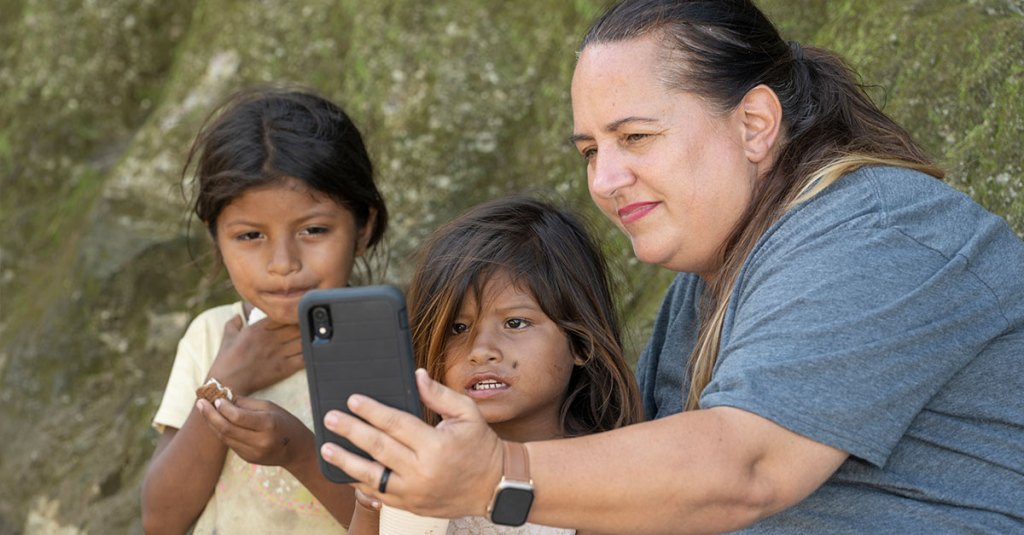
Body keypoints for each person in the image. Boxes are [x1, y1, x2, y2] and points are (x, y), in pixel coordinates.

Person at [317, 0, 1024, 533]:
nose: (605, 179)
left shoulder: (874, 231)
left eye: (635, 137)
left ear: (754, 124)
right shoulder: (706, 276)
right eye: (591, 150)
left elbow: (744, 467)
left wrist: (497, 473)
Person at [141, 87, 388, 534]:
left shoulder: (388, 345)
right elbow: (161, 520)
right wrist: (226, 380)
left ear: (363, 226)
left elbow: (395, 523)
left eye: (313, 229)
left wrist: (297, 451)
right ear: (216, 235)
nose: (283, 264)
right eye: (250, 236)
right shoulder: (214, 335)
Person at [347, 196, 643, 534]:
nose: (481, 351)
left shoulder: (606, 474)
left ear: (581, 342)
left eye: (515, 323)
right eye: (458, 328)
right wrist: (370, 505)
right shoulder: (424, 465)